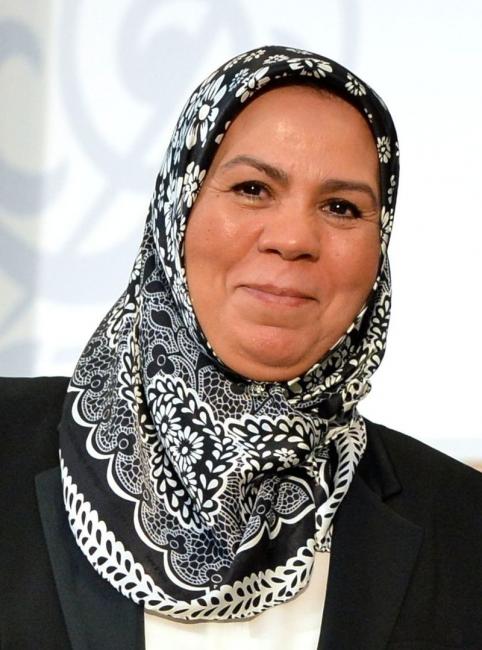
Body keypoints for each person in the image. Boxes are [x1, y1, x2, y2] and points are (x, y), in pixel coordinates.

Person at [1, 45, 481, 650]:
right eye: (253, 188)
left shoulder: (463, 524)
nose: (294, 238)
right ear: (177, 210)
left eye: (341, 207)